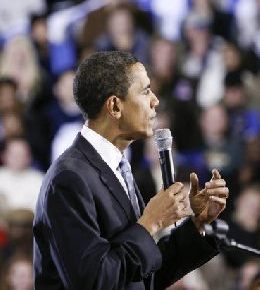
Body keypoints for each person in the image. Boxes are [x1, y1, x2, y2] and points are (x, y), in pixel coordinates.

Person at [33, 51, 229, 290]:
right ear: (115, 106)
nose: (155, 100)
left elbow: (142, 277)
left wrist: (196, 223)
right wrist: (150, 224)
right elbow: (93, 282)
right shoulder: (69, 179)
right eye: (145, 91)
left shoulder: (117, 167)